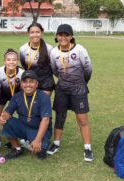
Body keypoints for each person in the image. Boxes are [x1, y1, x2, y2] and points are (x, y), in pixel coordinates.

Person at [47, 24, 94, 162]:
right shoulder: (54, 52)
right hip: (61, 88)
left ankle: (88, 148)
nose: (63, 37)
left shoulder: (80, 49)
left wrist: (79, 83)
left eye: (66, 35)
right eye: (60, 35)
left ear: (71, 36)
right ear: (57, 36)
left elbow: (88, 70)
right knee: (60, 116)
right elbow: (55, 70)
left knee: (82, 119)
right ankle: (56, 144)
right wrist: (65, 81)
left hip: (78, 88)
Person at [0, 70, 52, 160]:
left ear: (37, 84)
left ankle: (37, 141)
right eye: (25, 82)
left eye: (31, 82)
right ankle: (17, 148)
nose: (28, 85)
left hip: (37, 129)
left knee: (41, 148)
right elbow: (8, 112)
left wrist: (38, 140)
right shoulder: (17, 96)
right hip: (23, 126)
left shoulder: (44, 97)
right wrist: (3, 117)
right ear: (21, 84)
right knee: (7, 122)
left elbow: (46, 120)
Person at [0, 49, 24, 151]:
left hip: (18, 94)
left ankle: (22, 136)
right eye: (8, 60)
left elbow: (24, 90)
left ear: (17, 61)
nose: (11, 62)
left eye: (14, 60)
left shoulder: (22, 73)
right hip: (3, 94)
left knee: (24, 113)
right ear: (4, 61)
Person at [19, 23, 54, 96]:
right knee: (30, 105)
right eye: (32, 32)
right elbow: (24, 65)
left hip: (45, 83)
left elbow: (53, 68)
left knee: (43, 105)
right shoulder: (23, 49)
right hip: (30, 82)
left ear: (42, 33)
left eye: (37, 32)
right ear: (28, 34)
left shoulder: (49, 49)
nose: (35, 35)